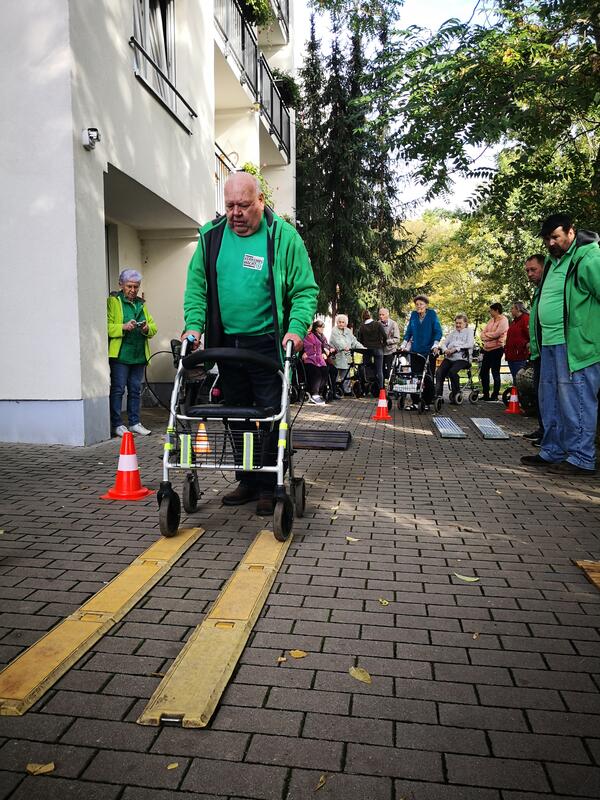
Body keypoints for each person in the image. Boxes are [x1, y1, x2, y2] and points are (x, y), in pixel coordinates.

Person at [182, 172, 318, 514]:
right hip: (227, 343)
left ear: (260, 201)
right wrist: (193, 327)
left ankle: (270, 483)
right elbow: (196, 289)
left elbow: (304, 290)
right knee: (237, 414)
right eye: (229, 205)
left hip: (269, 345)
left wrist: (297, 329)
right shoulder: (211, 236)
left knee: (272, 414)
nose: (235, 213)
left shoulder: (283, 237)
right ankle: (247, 479)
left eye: (243, 205)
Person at [521, 213, 600, 476]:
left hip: (576, 345)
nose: (551, 243)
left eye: (555, 236)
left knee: (576, 401)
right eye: (547, 239)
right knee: (551, 400)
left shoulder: (588, 257)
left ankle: (581, 458)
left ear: (570, 232)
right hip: (549, 344)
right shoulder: (554, 263)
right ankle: (552, 450)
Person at [107, 269, 157, 437]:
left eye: (136, 286)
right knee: (118, 389)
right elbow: (105, 326)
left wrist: (146, 327)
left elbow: (153, 327)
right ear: (121, 284)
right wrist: (123, 326)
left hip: (138, 355)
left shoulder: (141, 304)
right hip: (121, 355)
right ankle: (117, 424)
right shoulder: (113, 302)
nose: (133, 290)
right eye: (129, 286)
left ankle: (135, 423)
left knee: (135, 390)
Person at [400, 295, 442, 407]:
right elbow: (409, 332)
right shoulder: (413, 315)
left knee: (428, 376)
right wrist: (404, 344)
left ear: (426, 305)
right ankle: (415, 401)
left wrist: (435, 345)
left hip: (428, 351)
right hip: (415, 350)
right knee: (415, 376)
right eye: (417, 304)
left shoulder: (432, 314)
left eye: (421, 304)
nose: (419, 306)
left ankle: (428, 401)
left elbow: (438, 331)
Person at [523, 254, 545, 444]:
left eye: (533, 269)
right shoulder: (538, 291)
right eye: (527, 271)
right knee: (540, 392)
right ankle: (543, 429)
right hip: (538, 352)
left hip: (549, 350)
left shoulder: (548, 288)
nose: (529, 274)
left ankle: (548, 433)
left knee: (547, 394)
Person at [434, 314, 474, 400]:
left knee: (452, 372)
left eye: (460, 323)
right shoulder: (452, 333)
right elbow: (444, 344)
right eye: (456, 323)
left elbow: (470, 344)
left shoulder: (469, 331)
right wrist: (445, 350)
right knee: (439, 372)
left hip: (463, 359)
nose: (458, 325)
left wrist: (455, 349)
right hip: (450, 358)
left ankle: (456, 394)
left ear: (465, 323)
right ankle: (438, 396)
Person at [479, 303, 509, 401]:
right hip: (487, 350)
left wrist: (487, 336)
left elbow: (497, 334)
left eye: (491, 310)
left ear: (496, 310)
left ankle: (495, 395)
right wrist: (488, 336)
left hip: (497, 349)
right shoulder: (491, 320)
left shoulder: (504, 320)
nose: (490, 312)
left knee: (495, 372)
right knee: (483, 372)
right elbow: (482, 334)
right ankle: (486, 393)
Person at [329, 314, 363, 395]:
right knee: (337, 374)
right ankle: (336, 389)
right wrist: (345, 347)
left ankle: (346, 390)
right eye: (339, 322)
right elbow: (337, 342)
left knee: (347, 374)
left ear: (346, 323)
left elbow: (354, 341)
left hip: (347, 356)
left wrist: (362, 348)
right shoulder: (334, 331)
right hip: (337, 356)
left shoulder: (348, 331)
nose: (341, 324)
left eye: (343, 322)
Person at [302, 321, 331, 405]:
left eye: (310, 327)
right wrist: (303, 352)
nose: (309, 329)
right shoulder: (303, 336)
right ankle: (314, 394)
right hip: (309, 359)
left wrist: (324, 352)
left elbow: (322, 345)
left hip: (318, 359)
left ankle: (319, 392)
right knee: (316, 373)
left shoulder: (313, 335)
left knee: (325, 371)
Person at [358, 310, 387, 390]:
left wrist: (364, 345)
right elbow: (385, 336)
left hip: (367, 350)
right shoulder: (378, 324)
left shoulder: (362, 326)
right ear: (371, 316)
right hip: (378, 348)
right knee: (379, 371)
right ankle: (381, 389)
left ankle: (364, 388)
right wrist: (383, 345)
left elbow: (360, 340)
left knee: (365, 367)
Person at [505, 301, 530, 384]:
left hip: (520, 355)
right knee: (515, 379)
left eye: (512, 308)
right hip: (511, 355)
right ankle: (516, 396)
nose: (511, 310)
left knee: (519, 379)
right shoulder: (514, 321)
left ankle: (519, 396)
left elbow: (530, 335)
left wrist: (526, 344)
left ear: (518, 309)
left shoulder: (525, 319)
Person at [378, 308, 401, 378]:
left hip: (391, 351)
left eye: (383, 314)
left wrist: (387, 342)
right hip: (381, 351)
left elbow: (397, 339)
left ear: (387, 315)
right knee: (380, 370)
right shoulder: (377, 324)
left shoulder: (394, 324)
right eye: (380, 315)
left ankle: (390, 386)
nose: (381, 316)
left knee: (390, 371)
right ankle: (381, 387)